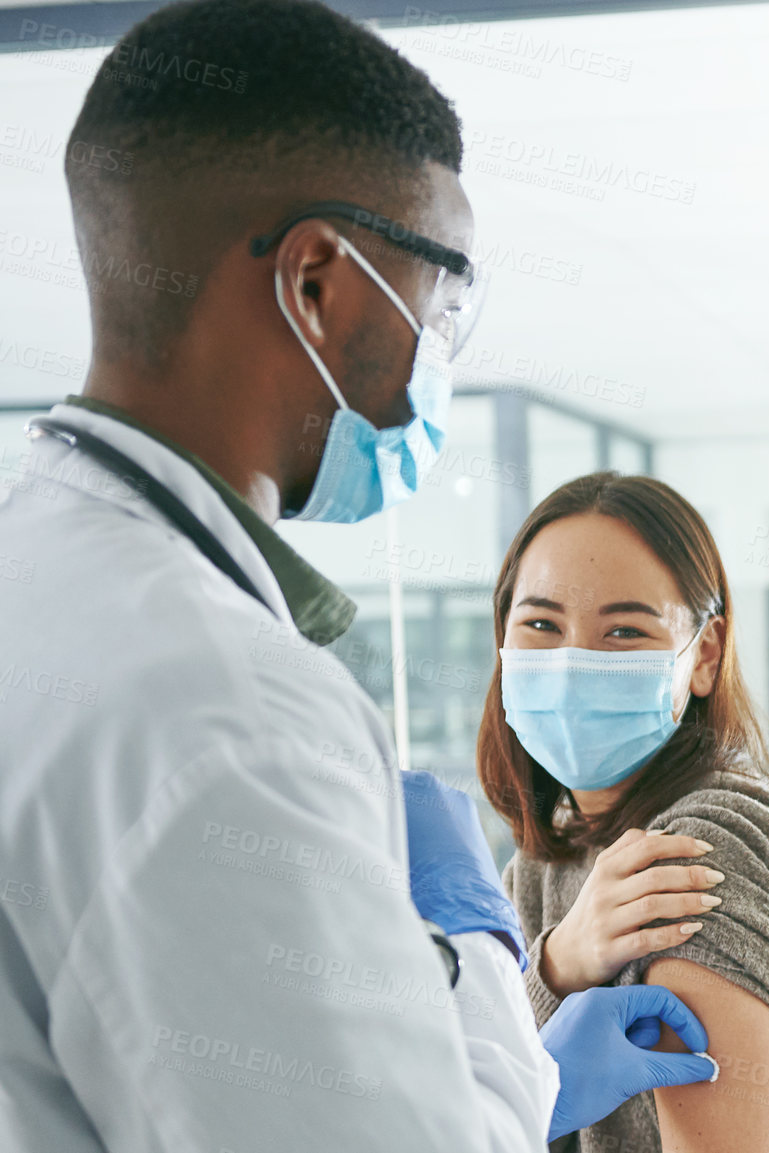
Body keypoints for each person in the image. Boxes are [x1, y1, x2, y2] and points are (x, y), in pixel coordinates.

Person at [0, 2, 715, 1149]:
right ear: (320, 283)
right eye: (443, 295)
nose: (439, 343)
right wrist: (474, 956)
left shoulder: (36, 571)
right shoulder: (229, 705)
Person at [478, 472, 769, 1153]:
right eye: (542, 623)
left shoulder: (700, 857)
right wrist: (556, 967)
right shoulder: (539, 873)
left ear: (705, 655)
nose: (573, 663)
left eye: (625, 631)